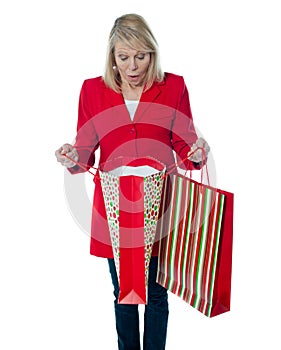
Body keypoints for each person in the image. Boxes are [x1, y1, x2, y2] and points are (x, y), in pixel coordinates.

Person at [55, 13, 210, 350]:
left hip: (161, 203)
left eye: (141, 56)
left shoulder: (174, 86)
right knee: (124, 292)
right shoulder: (92, 90)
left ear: (152, 54)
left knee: (155, 292)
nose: (133, 65)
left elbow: (185, 147)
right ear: (112, 56)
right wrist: (72, 156)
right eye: (123, 57)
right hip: (115, 207)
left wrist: (197, 153)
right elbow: (85, 152)